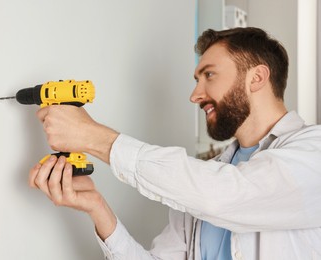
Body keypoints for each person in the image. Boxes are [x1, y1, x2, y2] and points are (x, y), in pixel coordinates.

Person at [28, 27, 321, 259]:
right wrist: (98, 209)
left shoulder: (313, 152)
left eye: (209, 75)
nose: (195, 94)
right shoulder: (204, 177)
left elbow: (228, 195)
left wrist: (94, 137)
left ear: (256, 77)